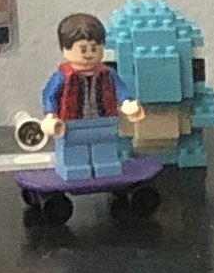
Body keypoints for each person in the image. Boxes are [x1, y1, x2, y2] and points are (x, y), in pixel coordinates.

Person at [40, 12, 145, 181]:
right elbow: (49, 95)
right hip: (72, 124)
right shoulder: (62, 77)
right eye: (82, 49)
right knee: (74, 153)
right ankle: (74, 169)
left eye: (94, 48)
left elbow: (120, 89)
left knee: (105, 149)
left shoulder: (108, 74)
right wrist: (50, 114)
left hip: (105, 121)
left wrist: (127, 102)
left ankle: (107, 167)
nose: (88, 54)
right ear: (65, 48)